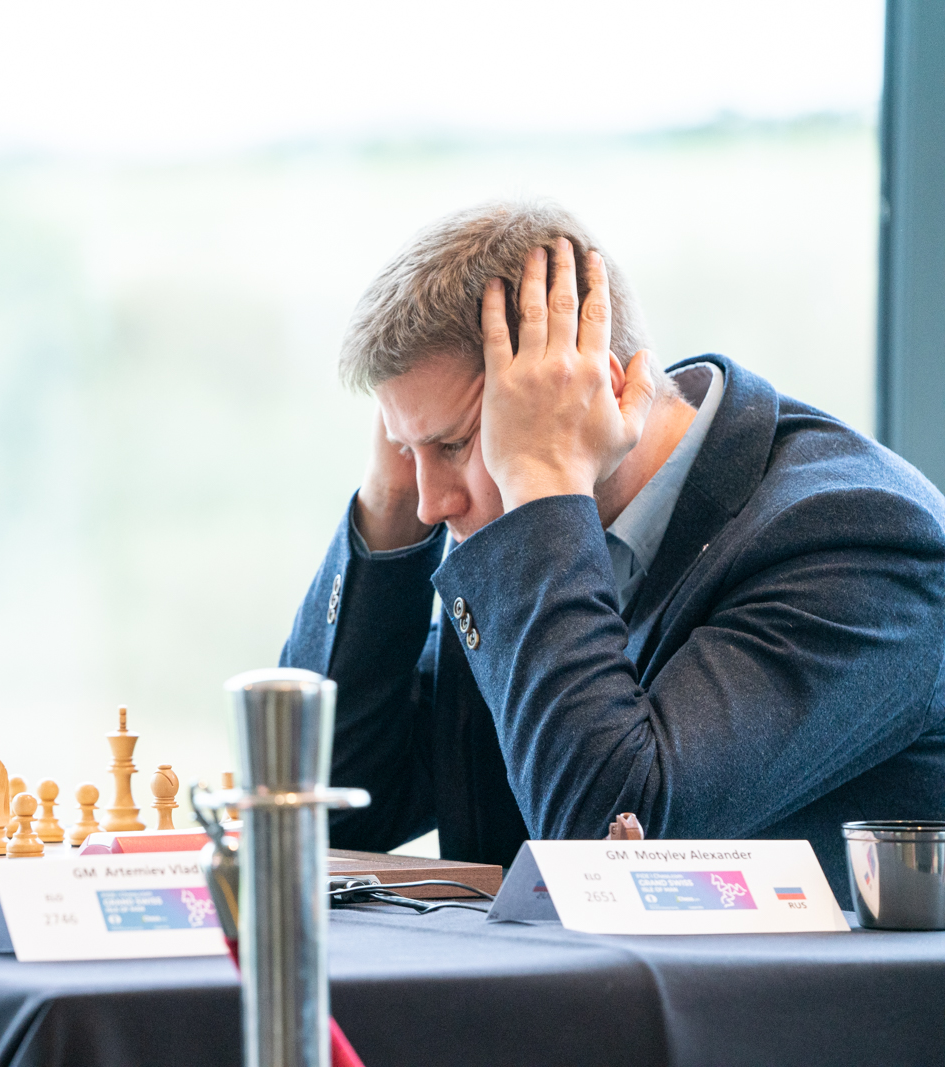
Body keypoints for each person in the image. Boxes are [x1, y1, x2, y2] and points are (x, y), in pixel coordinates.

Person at [281, 201, 945, 900]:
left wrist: (541, 487)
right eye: (407, 450)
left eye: (452, 443)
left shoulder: (862, 541)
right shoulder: (515, 531)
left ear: (595, 389)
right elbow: (323, 813)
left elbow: (605, 850)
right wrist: (386, 507)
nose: (433, 504)